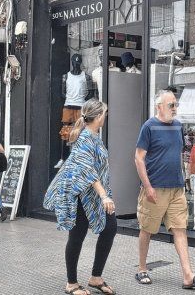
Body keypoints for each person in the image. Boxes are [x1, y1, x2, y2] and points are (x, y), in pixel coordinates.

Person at [134, 90, 195, 289]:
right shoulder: (149, 127)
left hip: (176, 189)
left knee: (180, 229)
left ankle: (187, 275)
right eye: (171, 105)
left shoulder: (178, 126)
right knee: (147, 230)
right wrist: (147, 186)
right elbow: (139, 158)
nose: (175, 109)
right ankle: (142, 269)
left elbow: (179, 154)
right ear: (159, 107)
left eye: (176, 104)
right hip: (155, 188)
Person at [44, 99, 117, 295]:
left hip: (93, 193)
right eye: (105, 113)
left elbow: (99, 169)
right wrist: (104, 196)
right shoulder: (85, 138)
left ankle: (95, 277)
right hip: (78, 193)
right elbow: (88, 170)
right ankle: (71, 283)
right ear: (99, 116)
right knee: (77, 235)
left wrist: (105, 194)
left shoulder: (95, 136)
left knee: (110, 228)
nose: (106, 116)